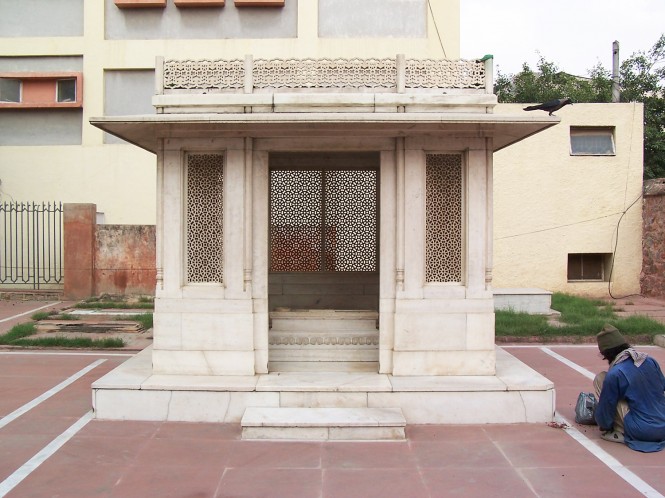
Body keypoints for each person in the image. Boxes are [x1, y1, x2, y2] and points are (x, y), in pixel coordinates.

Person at [593, 324, 665, 452]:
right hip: (663, 426)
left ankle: (620, 431)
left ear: (606, 354)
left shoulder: (615, 374)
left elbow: (607, 407)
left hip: (642, 431)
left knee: (601, 379)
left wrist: (602, 423)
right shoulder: (650, 360)